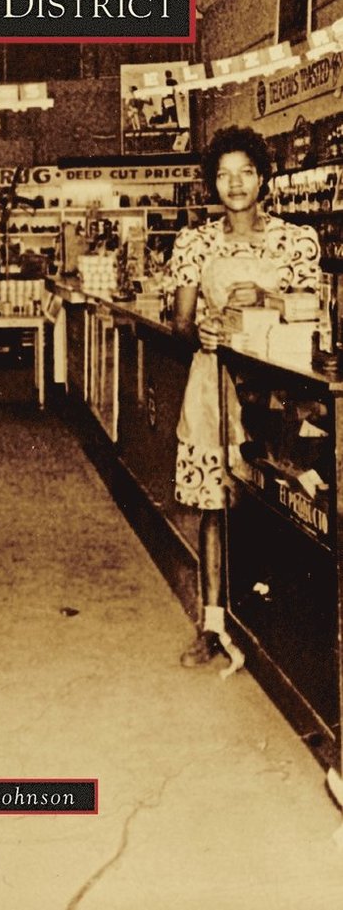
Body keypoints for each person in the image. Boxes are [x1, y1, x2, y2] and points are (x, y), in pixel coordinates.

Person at [169, 127, 320, 667]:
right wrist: (202, 332)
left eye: (246, 172)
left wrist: (268, 297)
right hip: (214, 388)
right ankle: (212, 626)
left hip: (281, 398)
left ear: (263, 178)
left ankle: (279, 630)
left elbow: (312, 314)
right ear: (212, 183)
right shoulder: (194, 243)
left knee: (282, 504)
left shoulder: (297, 240)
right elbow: (181, 324)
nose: (235, 184)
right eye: (223, 175)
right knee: (214, 506)